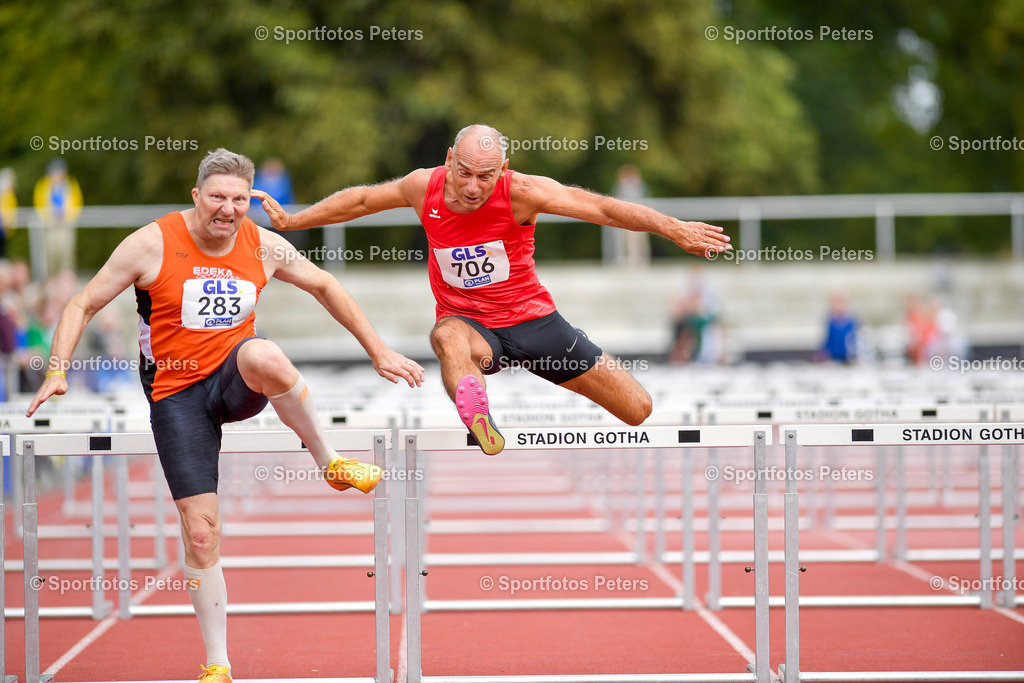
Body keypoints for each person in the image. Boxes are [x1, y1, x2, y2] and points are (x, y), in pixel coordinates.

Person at [27, 148, 424, 683]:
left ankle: (330, 462)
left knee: (267, 354)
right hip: (176, 395)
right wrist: (56, 369)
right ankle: (218, 663)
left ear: (250, 202)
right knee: (201, 535)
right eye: (218, 197)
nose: (228, 210)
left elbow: (327, 285)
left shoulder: (262, 244)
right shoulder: (152, 242)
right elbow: (81, 303)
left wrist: (378, 350)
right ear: (196, 196)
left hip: (235, 379)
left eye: (240, 200)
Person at [255, 124, 730, 455]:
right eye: (464, 171)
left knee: (638, 410)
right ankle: (476, 411)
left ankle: (523, 369)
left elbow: (604, 209)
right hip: (473, 326)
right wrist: (296, 219)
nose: (473, 186)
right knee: (446, 337)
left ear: (504, 168)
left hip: (536, 322)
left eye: (486, 175)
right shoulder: (423, 187)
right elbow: (358, 201)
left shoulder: (522, 191)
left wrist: (674, 228)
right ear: (449, 161)